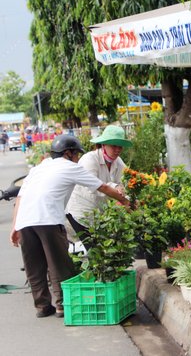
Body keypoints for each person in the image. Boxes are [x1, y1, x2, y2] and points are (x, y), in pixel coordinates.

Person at [9, 135, 130, 318]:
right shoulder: (70, 167)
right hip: (48, 219)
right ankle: (62, 306)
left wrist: (14, 226)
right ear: (68, 153)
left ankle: (42, 307)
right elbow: (103, 187)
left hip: (25, 221)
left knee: (34, 266)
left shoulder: (38, 169)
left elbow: (20, 197)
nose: (77, 158)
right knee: (59, 264)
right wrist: (124, 200)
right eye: (76, 154)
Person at [66, 125, 132, 250]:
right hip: (81, 212)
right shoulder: (89, 159)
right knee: (94, 252)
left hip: (100, 214)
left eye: (120, 146)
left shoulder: (118, 162)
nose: (117, 150)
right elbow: (97, 186)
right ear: (103, 145)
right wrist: (118, 190)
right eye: (114, 146)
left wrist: (127, 196)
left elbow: (123, 184)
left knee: (102, 252)